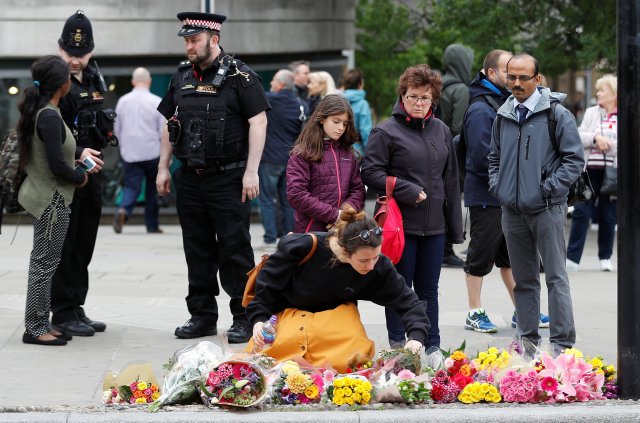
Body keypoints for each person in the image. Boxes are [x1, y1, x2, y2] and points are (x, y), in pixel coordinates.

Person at [156, 12, 269, 343]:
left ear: (214, 40)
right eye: (187, 41)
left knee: (235, 249)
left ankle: (245, 316)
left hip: (229, 177)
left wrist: (252, 171)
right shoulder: (180, 77)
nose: (189, 46)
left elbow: (258, 122)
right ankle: (202, 316)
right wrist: (163, 166)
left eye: (195, 40)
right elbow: (169, 123)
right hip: (190, 177)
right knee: (197, 248)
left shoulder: (240, 76)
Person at [246, 205, 428, 372]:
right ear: (344, 251)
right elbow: (266, 287)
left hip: (337, 321)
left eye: (376, 257)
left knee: (354, 362)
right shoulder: (303, 246)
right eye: (364, 260)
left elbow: (408, 302)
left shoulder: (378, 265)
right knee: (273, 363)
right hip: (292, 314)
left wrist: (415, 338)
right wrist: (259, 320)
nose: (372, 266)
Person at [362, 64, 463, 349]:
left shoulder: (441, 130)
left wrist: (454, 228)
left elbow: (451, 181)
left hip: (434, 228)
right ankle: (398, 345)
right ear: (402, 96)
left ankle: (431, 346)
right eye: (413, 97)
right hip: (399, 226)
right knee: (399, 288)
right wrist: (405, 189)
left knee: (429, 290)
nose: (419, 103)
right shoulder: (385, 131)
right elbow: (369, 173)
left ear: (433, 99)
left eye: (425, 98)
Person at [488, 53, 584, 354]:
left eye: (523, 78)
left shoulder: (556, 114)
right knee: (524, 280)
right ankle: (527, 343)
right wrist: (499, 187)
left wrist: (547, 190)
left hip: (546, 209)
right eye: (511, 77)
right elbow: (493, 158)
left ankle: (562, 346)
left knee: (556, 277)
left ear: (537, 79)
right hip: (512, 211)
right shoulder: (503, 114)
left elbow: (574, 160)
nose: (516, 83)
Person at [461, 50, 551, 333]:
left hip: (507, 196)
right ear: (491, 73)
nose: (513, 77)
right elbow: (481, 157)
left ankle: (523, 310)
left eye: (517, 73)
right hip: (487, 196)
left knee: (510, 257)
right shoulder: (481, 108)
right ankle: (474, 311)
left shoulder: (505, 102)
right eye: (507, 71)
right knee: (480, 256)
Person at [17, 55, 103, 346]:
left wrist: (77, 160)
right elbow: (57, 165)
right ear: (61, 85)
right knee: (44, 264)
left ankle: (40, 322)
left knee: (44, 263)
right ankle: (35, 328)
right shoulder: (50, 116)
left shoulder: (43, 111)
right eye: (67, 76)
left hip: (47, 197)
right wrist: (79, 177)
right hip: (51, 201)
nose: (71, 79)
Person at [51, 10, 110, 337]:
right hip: (64, 175)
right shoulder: (50, 79)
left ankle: (76, 305)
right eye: (70, 53)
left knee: (84, 243)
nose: (75, 60)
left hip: (93, 174)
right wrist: (75, 153)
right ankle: (61, 311)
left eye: (81, 54)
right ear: (60, 49)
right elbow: (43, 131)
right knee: (65, 245)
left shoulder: (94, 78)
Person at [287, 94, 365, 233]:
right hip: (311, 232)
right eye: (336, 121)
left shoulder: (348, 153)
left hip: (343, 231)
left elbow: (358, 190)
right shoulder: (302, 153)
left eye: (345, 123)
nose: (341, 127)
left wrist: (344, 216)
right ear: (322, 119)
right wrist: (334, 216)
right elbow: (297, 194)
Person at [566, 74, 618, 272]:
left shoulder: (623, 114)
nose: (598, 94)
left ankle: (605, 257)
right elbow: (578, 134)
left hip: (612, 172)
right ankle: (572, 258)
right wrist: (596, 137)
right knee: (581, 211)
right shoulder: (591, 112)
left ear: (613, 94)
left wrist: (609, 144)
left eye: (602, 90)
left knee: (608, 214)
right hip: (589, 171)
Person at [112, 67, 165, 234]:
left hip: (130, 153)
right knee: (152, 190)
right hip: (152, 152)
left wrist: (122, 146)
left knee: (131, 187)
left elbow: (116, 128)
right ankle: (152, 225)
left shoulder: (122, 101)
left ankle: (124, 211)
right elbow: (162, 131)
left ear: (133, 81)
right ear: (149, 81)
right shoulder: (156, 101)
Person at [259, 69, 308, 245]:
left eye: (273, 81)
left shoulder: (267, 100)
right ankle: (288, 235)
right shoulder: (301, 104)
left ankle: (270, 237)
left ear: (280, 84)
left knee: (267, 199)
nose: (271, 84)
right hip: (291, 159)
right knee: (288, 200)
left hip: (270, 158)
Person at [438, 43, 474, 269]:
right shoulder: (460, 89)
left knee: (439, 202)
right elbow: (460, 127)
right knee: (450, 203)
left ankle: (442, 250)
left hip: (433, 150)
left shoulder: (439, 84)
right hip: (450, 153)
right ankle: (446, 250)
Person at [341, 68, 373, 158]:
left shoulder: (338, 100)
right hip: (357, 152)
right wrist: (371, 153)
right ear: (360, 84)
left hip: (338, 151)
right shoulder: (362, 104)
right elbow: (365, 132)